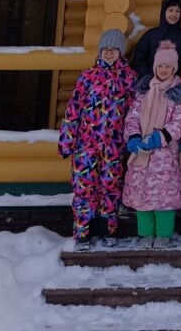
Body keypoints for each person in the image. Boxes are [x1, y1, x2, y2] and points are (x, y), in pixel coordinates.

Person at [58, 29, 137, 249]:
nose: (109, 53)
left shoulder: (129, 78)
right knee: (85, 189)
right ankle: (83, 231)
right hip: (86, 144)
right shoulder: (88, 76)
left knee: (110, 188)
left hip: (114, 145)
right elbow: (73, 110)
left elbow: (133, 112)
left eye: (114, 49)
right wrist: (67, 141)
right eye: (105, 49)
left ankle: (108, 229)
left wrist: (132, 140)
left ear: (121, 52)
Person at [122, 40, 181, 248]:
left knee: (164, 197)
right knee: (141, 195)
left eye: (167, 66)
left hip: (165, 155)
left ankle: (163, 234)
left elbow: (180, 122)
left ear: (174, 68)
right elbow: (133, 117)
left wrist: (160, 137)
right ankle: (145, 233)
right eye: (160, 66)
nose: (163, 70)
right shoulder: (144, 91)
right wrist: (133, 137)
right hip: (141, 152)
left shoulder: (178, 94)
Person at [132, 0, 181, 78]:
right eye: (170, 10)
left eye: (178, 11)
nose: (174, 14)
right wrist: (149, 78)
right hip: (152, 82)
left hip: (177, 83)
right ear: (164, 12)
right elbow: (139, 60)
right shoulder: (150, 35)